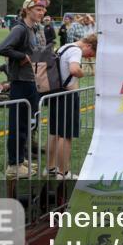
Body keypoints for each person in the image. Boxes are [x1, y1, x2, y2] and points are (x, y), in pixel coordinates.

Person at [0, 0, 50, 179]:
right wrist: (22, 57)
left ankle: (20, 158)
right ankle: (13, 164)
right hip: (21, 81)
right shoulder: (20, 28)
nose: (42, 13)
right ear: (27, 10)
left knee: (27, 124)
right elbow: (2, 48)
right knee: (17, 124)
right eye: (38, 9)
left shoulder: (33, 28)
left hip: (31, 80)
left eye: (43, 10)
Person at [46, 34, 96, 180]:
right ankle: (63, 172)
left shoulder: (64, 47)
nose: (88, 57)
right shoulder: (76, 50)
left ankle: (50, 168)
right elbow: (74, 70)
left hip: (55, 92)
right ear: (88, 46)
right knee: (65, 136)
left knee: (54, 133)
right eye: (91, 54)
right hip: (67, 95)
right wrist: (82, 73)